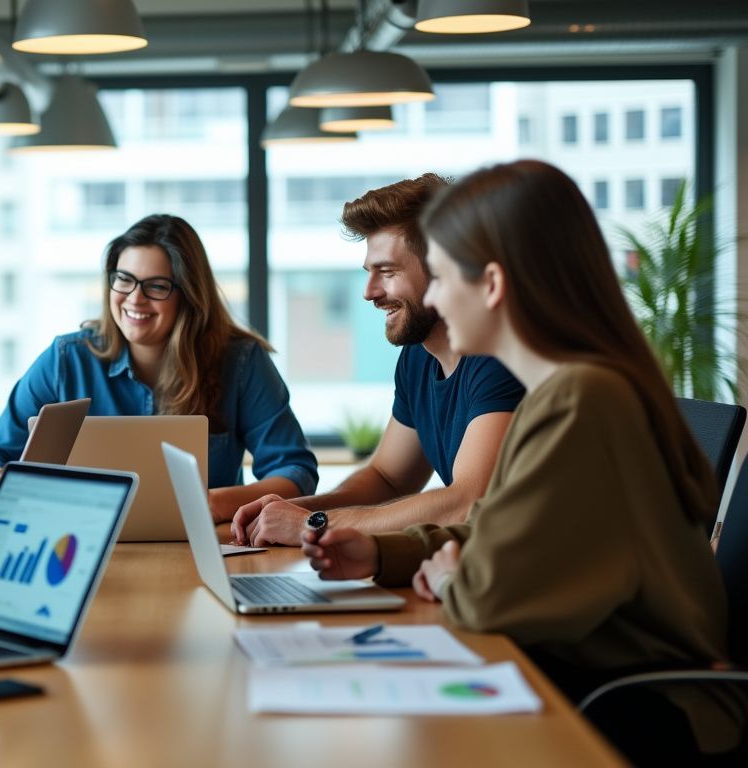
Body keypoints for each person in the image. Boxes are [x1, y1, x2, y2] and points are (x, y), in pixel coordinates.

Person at [299, 160, 742, 762]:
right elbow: (497, 531)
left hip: (634, 710)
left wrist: (459, 575)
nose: (437, 295)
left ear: (492, 284)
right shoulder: (568, 390)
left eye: (445, 274)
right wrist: (387, 551)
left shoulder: (584, 399)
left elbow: (487, 595)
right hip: (579, 679)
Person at [231, 174, 523, 545]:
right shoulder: (418, 356)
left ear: (442, 268)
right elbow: (387, 478)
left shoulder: (498, 357)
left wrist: (314, 525)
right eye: (369, 273)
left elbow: (466, 503)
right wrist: (298, 511)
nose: (370, 293)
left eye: (387, 272)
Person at [0, 213, 318, 521]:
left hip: (205, 547)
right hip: (76, 542)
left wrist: (215, 503)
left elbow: (295, 470)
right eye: (124, 279)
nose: (135, 298)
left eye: (156, 286)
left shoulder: (241, 363)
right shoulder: (65, 360)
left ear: (189, 296)